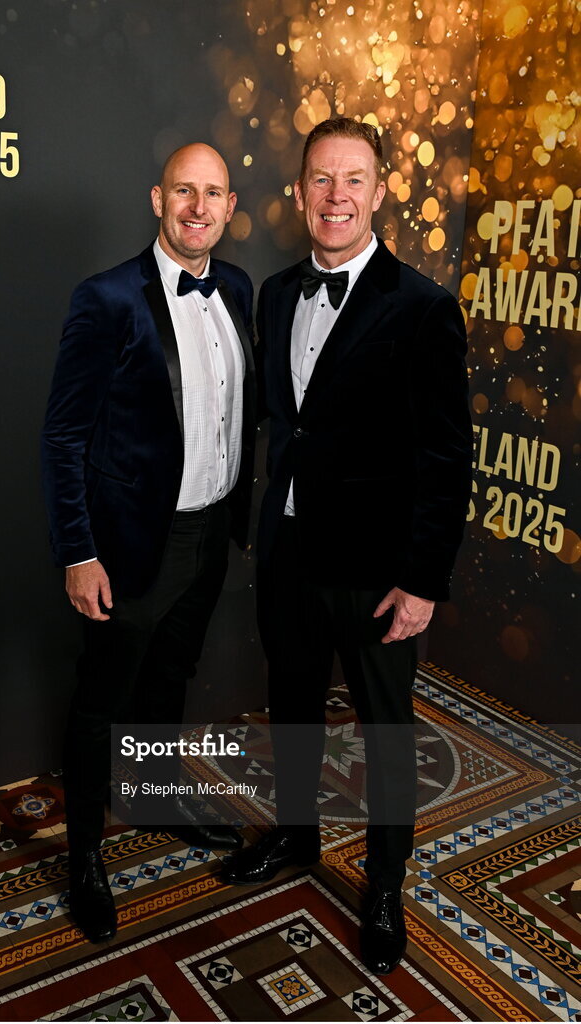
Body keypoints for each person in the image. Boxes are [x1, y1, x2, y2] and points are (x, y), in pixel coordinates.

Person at [221, 117, 471, 975]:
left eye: (353, 179)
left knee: (386, 731)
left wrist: (423, 581)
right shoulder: (277, 293)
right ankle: (296, 835)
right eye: (321, 180)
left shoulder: (426, 308)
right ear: (299, 194)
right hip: (288, 552)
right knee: (290, 706)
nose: (336, 197)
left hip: (378, 571)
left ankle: (387, 882)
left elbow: (447, 459)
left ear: (381, 189)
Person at [41, 143, 256, 944]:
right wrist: (78, 550)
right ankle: (86, 857)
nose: (197, 208)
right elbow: (62, 437)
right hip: (130, 544)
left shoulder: (235, 288)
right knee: (101, 704)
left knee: (171, 677)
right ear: (156, 199)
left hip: (208, 536)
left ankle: (157, 798)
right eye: (182, 192)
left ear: (230, 207)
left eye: (212, 195)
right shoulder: (105, 299)